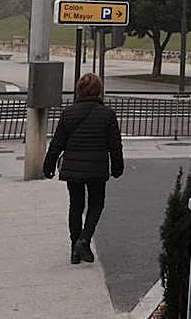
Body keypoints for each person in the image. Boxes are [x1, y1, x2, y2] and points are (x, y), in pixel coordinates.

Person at [44, 72, 124, 265]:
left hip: (73, 167)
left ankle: (74, 249)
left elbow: (57, 143)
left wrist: (48, 164)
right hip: (97, 166)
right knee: (96, 204)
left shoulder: (68, 113)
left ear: (79, 91)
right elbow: (115, 144)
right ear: (99, 91)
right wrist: (117, 166)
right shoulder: (107, 114)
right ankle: (84, 239)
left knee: (76, 205)